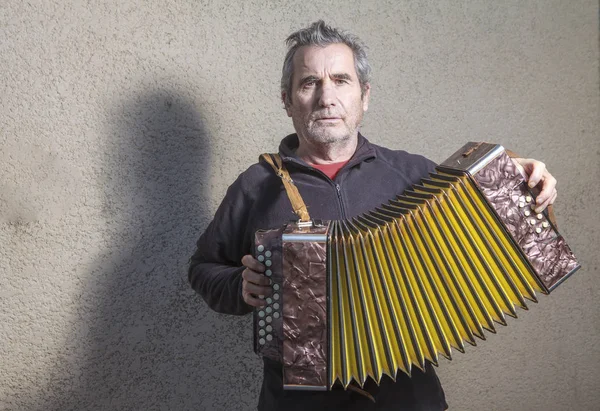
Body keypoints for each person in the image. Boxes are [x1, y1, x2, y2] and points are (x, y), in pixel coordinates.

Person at [188, 20, 558, 411]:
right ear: (287, 99)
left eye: (341, 80)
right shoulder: (256, 186)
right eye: (309, 82)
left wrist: (526, 178)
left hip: (409, 397)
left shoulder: (414, 174)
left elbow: (502, 219)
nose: (326, 97)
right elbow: (203, 268)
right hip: (298, 402)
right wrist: (240, 286)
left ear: (364, 96)